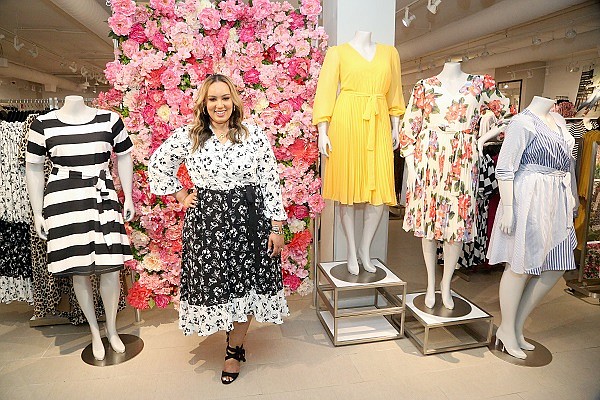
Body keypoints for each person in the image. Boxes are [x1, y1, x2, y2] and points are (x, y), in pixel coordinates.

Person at [148, 74, 289, 384]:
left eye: (225, 97)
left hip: (248, 221)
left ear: (234, 101)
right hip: (207, 225)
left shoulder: (254, 136)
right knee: (220, 286)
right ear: (204, 103)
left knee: (246, 287)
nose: (219, 104)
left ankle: (234, 350)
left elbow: (269, 182)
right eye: (212, 99)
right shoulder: (190, 135)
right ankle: (231, 340)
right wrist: (181, 194)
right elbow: (158, 165)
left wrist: (276, 225)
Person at [26, 95, 135, 361]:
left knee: (110, 267)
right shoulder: (42, 124)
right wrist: (37, 212)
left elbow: (124, 155)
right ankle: (95, 332)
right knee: (80, 270)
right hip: (63, 200)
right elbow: (33, 168)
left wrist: (128, 196)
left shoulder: (109, 119)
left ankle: (111, 329)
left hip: (102, 195)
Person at [400, 62, 510, 309]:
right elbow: (410, 127)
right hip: (429, 158)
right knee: (429, 224)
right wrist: (412, 166)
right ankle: (430, 283)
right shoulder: (424, 86)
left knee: (456, 224)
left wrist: (481, 138)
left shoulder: (482, 84)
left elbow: (509, 116)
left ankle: (445, 284)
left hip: (463, 159)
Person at [486, 96, 577, 359]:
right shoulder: (522, 122)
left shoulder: (559, 121)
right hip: (530, 196)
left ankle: (515, 325)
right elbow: (504, 168)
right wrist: (510, 208)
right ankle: (507, 328)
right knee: (520, 265)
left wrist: (569, 196)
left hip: (556, 198)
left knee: (556, 264)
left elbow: (567, 165)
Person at [313, 30, 405, 275]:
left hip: (379, 122)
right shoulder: (337, 53)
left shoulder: (389, 53)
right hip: (347, 123)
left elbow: (394, 91)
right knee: (348, 191)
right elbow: (325, 92)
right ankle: (351, 251)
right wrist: (323, 130)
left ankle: (365, 249)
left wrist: (396, 125)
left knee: (378, 192)